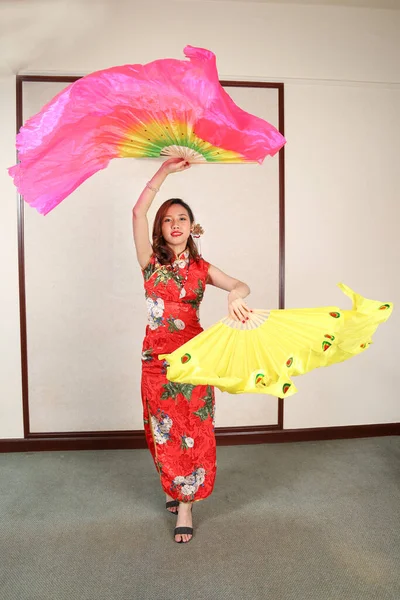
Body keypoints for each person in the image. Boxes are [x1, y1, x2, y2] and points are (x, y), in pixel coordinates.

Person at [132, 157, 251, 543]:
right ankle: (174, 484)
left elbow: (241, 284)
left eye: (182, 218)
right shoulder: (149, 264)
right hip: (156, 360)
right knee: (160, 431)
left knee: (192, 429)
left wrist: (235, 296)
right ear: (159, 228)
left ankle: (186, 505)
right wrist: (165, 171)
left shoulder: (202, 268)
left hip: (195, 358)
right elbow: (138, 209)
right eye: (168, 219)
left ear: (191, 226)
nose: (176, 224)